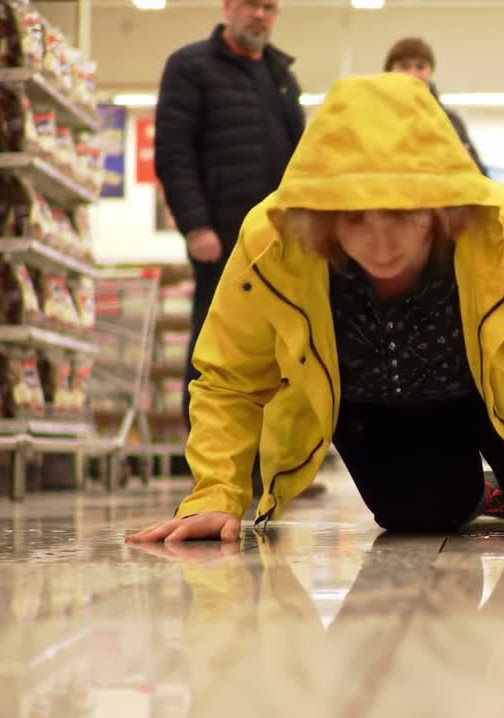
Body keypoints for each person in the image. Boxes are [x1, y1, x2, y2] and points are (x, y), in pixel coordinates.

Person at [128, 73, 504, 547]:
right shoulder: (273, 241)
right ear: (321, 214)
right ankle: (485, 490)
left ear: (440, 203)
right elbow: (229, 380)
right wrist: (216, 495)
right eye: (355, 219)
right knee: (419, 519)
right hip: (376, 408)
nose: (382, 245)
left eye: (403, 216)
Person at [154, 0, 306, 431]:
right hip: (221, 238)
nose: (259, 15)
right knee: (217, 347)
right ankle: (211, 458)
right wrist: (196, 225)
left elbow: (302, 160)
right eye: (250, 5)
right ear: (228, 8)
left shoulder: (281, 77)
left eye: (269, 7)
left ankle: (271, 460)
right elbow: (173, 152)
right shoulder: (191, 67)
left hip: (281, 243)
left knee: (281, 350)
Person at [384, 36, 487, 175]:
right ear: (389, 71)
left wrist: (466, 163)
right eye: (404, 66)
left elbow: (481, 175)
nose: (412, 74)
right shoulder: (373, 118)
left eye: (420, 67)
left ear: (431, 72)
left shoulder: (450, 121)